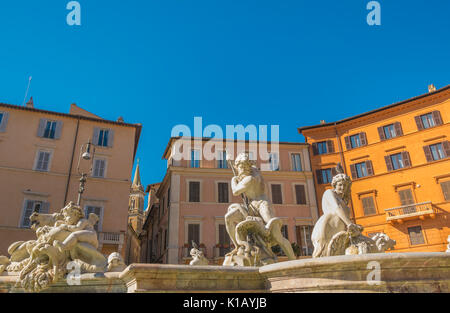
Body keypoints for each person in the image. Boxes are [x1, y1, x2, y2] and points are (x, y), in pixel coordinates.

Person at [224, 153, 295, 260]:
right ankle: (238, 246)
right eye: (240, 167)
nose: (242, 169)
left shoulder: (250, 179)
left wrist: (233, 180)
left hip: (262, 203)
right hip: (251, 206)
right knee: (228, 217)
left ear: (249, 166)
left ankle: (292, 258)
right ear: (236, 166)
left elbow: (235, 191)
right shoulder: (252, 171)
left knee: (275, 232)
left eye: (245, 167)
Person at [311, 172, 362, 258]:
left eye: (345, 186)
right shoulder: (329, 193)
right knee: (323, 253)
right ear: (335, 185)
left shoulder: (343, 201)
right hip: (328, 226)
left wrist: (352, 226)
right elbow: (336, 207)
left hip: (341, 230)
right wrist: (349, 224)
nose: (342, 188)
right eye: (340, 185)